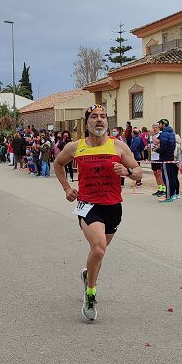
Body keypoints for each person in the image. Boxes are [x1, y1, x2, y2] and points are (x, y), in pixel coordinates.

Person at [53, 105, 142, 322]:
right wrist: (66, 188)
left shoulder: (118, 146)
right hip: (88, 205)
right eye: (94, 117)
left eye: (103, 117)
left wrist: (127, 172)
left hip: (113, 207)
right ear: (87, 123)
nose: (100, 120)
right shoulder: (76, 147)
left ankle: (87, 277)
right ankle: (90, 293)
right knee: (99, 249)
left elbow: (138, 172)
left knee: (98, 253)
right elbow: (58, 163)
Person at [157, 119, 178, 202]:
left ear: (163, 124)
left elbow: (163, 148)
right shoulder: (171, 133)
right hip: (171, 158)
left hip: (165, 158)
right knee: (171, 177)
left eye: (160, 124)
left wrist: (156, 150)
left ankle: (168, 196)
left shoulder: (164, 134)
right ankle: (172, 194)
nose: (159, 126)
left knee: (166, 178)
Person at [148, 122, 164, 197]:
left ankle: (163, 189)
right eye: (153, 127)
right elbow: (150, 145)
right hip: (153, 157)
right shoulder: (151, 137)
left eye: (156, 127)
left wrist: (152, 136)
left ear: (159, 128)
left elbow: (157, 142)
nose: (154, 129)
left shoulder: (161, 135)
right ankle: (159, 188)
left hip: (159, 157)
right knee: (155, 173)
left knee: (159, 173)